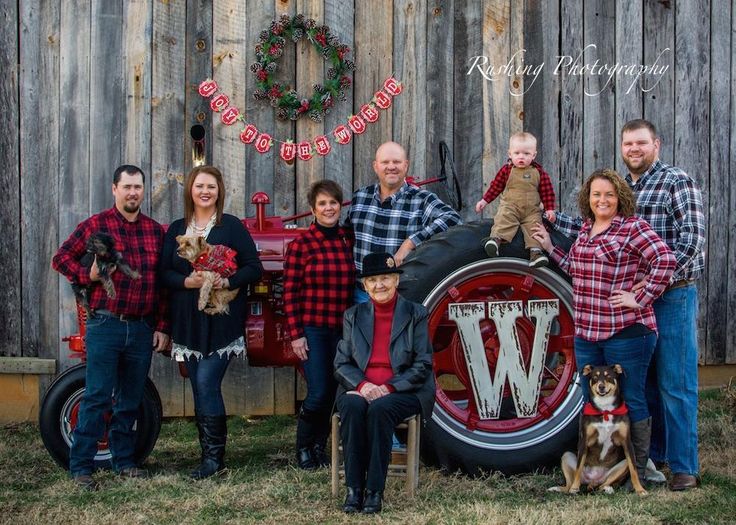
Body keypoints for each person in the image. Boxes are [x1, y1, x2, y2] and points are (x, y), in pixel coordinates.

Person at [548, 119, 706, 491]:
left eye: (641, 143)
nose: (633, 150)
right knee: (645, 384)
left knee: (675, 382)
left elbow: (692, 240)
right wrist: (551, 223)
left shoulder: (676, 181)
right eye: (628, 144)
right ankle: (654, 457)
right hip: (632, 301)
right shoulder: (620, 189)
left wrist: (649, 282)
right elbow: (596, 227)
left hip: (673, 294)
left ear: (657, 144)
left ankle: (685, 466)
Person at [532, 168, 676, 484]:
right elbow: (577, 270)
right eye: (596, 194)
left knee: (631, 399)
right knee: (594, 402)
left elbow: (665, 260)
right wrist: (550, 249)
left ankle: (637, 471)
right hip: (588, 332)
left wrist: (641, 297)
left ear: (620, 198)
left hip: (627, 331)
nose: (602, 200)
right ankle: (601, 469)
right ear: (588, 198)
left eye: (609, 194)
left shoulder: (632, 228)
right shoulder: (586, 230)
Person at [52, 165, 170, 490]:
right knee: (98, 396)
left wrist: (161, 326)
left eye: (138, 187)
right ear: (115, 189)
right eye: (127, 187)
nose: (133, 192)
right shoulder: (96, 225)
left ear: (143, 191)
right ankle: (81, 468)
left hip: (142, 327)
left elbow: (162, 285)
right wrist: (85, 276)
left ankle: (124, 462)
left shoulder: (155, 231)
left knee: (130, 399)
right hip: (105, 323)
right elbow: (61, 258)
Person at [160, 166, 262, 479]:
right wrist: (187, 283)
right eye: (200, 186)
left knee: (206, 383)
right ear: (191, 190)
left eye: (212, 187)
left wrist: (226, 280)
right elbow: (164, 273)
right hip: (187, 321)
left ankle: (213, 461)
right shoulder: (178, 228)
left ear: (219, 191)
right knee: (199, 386)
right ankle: (209, 456)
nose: (206, 192)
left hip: (221, 320)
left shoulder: (231, 226)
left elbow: (253, 268)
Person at [334, 253, 435, 514]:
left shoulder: (416, 313)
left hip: (403, 390)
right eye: (373, 280)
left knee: (381, 409)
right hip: (360, 387)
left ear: (396, 280)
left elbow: (423, 364)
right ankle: (354, 489)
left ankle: (374, 491)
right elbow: (341, 363)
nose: (380, 285)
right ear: (365, 286)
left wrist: (388, 387)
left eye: (386, 278)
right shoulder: (353, 316)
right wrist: (363, 386)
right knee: (353, 407)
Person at [283, 180, 355, 470]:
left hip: (342, 330)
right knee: (318, 391)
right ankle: (303, 448)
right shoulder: (302, 244)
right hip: (313, 329)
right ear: (313, 209)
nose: (329, 208)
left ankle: (319, 448)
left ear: (340, 206)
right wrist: (296, 335)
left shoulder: (346, 239)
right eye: (322, 204)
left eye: (333, 203)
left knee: (335, 391)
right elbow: (289, 292)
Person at [348, 141, 461, 301]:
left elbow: (453, 218)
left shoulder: (421, 199)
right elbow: (345, 234)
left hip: (401, 295)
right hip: (362, 293)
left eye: (397, 162)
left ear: (406, 165)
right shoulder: (360, 197)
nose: (391, 166)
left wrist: (410, 243)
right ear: (375, 166)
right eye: (385, 162)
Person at [475, 132, 556, 267]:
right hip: (510, 207)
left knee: (535, 228)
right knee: (503, 219)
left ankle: (536, 254)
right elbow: (495, 187)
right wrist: (484, 201)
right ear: (510, 154)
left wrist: (550, 209)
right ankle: (495, 241)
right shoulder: (506, 171)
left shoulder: (539, 173)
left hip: (532, 211)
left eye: (526, 154)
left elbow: (547, 192)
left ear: (534, 155)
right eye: (517, 153)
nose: (521, 157)